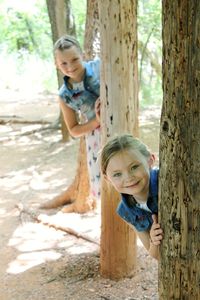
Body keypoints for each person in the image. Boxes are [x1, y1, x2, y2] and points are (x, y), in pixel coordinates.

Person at [100, 134, 163, 260]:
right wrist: (154, 241)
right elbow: (155, 255)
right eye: (117, 174)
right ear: (107, 179)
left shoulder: (167, 181)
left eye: (134, 167)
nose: (128, 178)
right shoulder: (126, 210)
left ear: (150, 160)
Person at [54, 35, 101, 199]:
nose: (70, 66)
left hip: (120, 126)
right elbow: (73, 130)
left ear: (82, 55)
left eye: (74, 59)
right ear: (57, 65)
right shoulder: (64, 95)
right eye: (63, 63)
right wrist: (96, 121)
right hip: (96, 137)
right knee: (106, 184)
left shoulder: (100, 67)